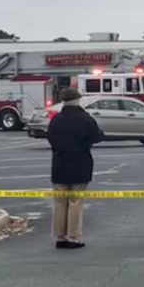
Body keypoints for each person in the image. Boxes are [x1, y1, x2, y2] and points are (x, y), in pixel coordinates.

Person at [46, 88, 104, 249]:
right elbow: (97, 137)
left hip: (59, 165)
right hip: (80, 164)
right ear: (77, 100)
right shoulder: (85, 119)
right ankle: (73, 236)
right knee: (75, 202)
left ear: (63, 101)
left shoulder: (56, 120)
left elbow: (50, 137)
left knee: (59, 202)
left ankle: (59, 236)